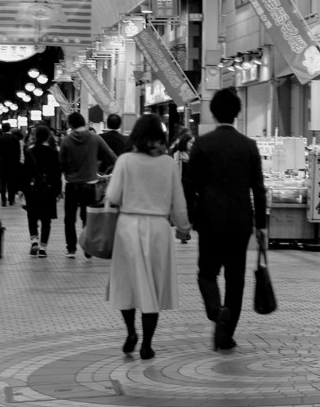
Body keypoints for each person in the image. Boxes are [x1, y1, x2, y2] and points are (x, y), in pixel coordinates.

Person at [105, 114, 191, 360]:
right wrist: (183, 228)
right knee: (152, 286)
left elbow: (112, 195)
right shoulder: (167, 164)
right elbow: (178, 201)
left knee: (127, 283)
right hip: (158, 229)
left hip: (128, 227)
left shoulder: (125, 161)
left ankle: (131, 332)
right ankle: (148, 344)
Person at [187, 88, 267, 351]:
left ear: (213, 112)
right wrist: (261, 225)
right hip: (240, 222)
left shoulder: (202, 144)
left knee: (207, 273)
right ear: (237, 113)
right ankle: (225, 335)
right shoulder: (249, 146)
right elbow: (258, 187)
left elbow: (189, 185)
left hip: (209, 220)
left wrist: (188, 219)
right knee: (236, 281)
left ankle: (214, 309)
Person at [59, 112, 117, 258]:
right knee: (88, 217)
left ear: (70, 125)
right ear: (84, 122)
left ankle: (71, 249)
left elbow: (61, 164)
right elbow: (111, 156)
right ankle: (88, 248)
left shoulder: (66, 141)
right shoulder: (95, 138)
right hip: (90, 185)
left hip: (72, 184)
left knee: (70, 218)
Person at [25, 126, 62, 258]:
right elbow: (57, 173)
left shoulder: (29, 151)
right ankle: (43, 248)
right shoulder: (53, 152)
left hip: (32, 189)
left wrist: (23, 190)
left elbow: (26, 172)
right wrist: (58, 191)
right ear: (48, 137)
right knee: (46, 219)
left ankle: (34, 240)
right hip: (48, 189)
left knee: (32, 216)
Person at [169, 129, 195, 240]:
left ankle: (184, 230)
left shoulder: (194, 156)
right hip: (181, 186)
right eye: (191, 142)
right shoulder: (177, 155)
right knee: (182, 209)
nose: (193, 145)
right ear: (185, 142)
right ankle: (183, 232)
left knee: (190, 209)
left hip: (192, 187)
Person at [0, 122, 24, 207]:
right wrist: (17, 162)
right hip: (12, 164)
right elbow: (18, 152)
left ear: (2, 129)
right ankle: (11, 199)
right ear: (9, 128)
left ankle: (3, 200)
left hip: (2, 163)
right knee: (11, 182)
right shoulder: (15, 138)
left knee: (2, 183)